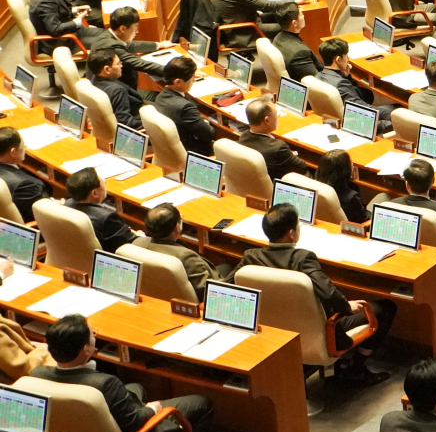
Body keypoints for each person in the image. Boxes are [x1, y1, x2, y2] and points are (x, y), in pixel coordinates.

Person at [35, 314, 215, 432]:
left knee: (136, 388)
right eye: (92, 334)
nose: (95, 335)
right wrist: (153, 408)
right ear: (85, 349)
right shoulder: (104, 384)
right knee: (201, 404)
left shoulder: (37, 374)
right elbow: (134, 423)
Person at [236, 203, 393, 372]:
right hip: (322, 332)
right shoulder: (303, 258)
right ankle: (356, 368)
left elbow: (225, 283)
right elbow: (328, 293)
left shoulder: (251, 257)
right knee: (387, 308)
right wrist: (348, 307)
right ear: (292, 233)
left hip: (274, 334)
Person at [135, 203, 213, 300]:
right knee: (226, 267)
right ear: (177, 227)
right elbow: (206, 292)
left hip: (155, 297)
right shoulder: (186, 257)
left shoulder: (137, 243)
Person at [153, 55, 215, 154]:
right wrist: (205, 122)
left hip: (170, 149)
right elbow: (208, 134)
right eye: (192, 78)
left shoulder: (160, 97)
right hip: (193, 152)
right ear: (178, 82)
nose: (194, 80)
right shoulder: (185, 107)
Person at [63, 168, 133, 252]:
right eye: (103, 182)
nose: (105, 183)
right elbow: (128, 242)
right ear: (94, 193)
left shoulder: (67, 204)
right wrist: (138, 235)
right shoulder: (107, 218)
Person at [238, 96, 304, 180]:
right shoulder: (278, 147)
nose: (277, 117)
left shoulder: (243, 136)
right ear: (267, 120)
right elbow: (302, 167)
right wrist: (291, 154)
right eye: (276, 114)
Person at [85, 50, 142, 128]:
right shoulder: (117, 91)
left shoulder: (94, 79)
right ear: (107, 69)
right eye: (118, 63)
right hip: (138, 116)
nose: (121, 66)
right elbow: (126, 123)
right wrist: (150, 123)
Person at [314, 149, 370, 225]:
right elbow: (365, 219)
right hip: (356, 228)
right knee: (383, 196)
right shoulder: (351, 197)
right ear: (346, 170)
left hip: (327, 225)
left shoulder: (317, 187)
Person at [0, 127, 45, 218]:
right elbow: (42, 215)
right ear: (13, 152)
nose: (25, 147)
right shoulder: (25, 185)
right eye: (23, 145)